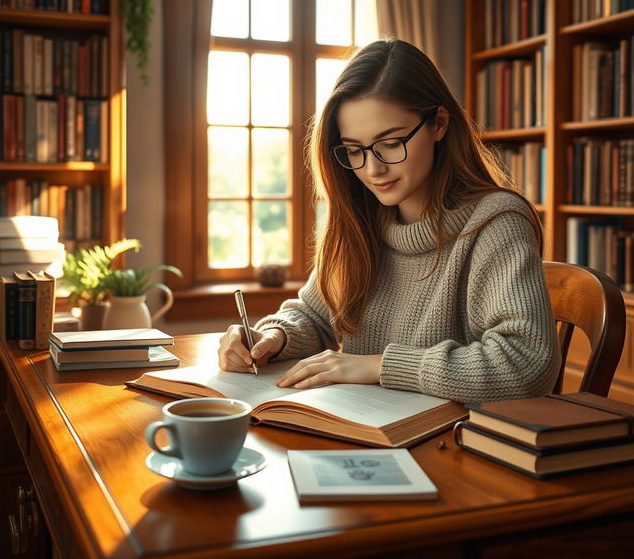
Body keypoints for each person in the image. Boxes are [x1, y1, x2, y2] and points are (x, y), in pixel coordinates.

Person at [218, 39, 559, 403]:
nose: (372, 168)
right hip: (364, 434)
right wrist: (273, 336)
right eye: (353, 150)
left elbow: (526, 363)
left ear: (439, 123)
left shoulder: (495, 221)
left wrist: (380, 366)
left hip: (452, 448)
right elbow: (316, 315)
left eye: (391, 143)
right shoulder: (362, 217)